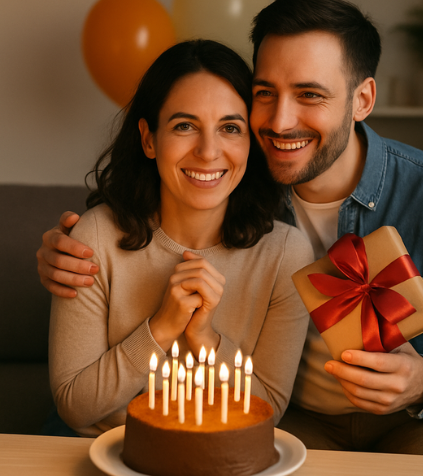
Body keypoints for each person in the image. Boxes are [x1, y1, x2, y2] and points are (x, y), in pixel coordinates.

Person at [37, 0, 423, 475]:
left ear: (362, 99)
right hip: (299, 416)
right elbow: (155, 207)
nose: (280, 121)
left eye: (310, 95)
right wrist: (64, 248)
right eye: (265, 93)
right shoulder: (241, 182)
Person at [46, 39, 312, 437]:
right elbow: (73, 405)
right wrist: (161, 328)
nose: (208, 151)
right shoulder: (95, 235)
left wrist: (204, 338)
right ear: (149, 139)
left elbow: (268, 411)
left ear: (251, 143)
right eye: (184, 126)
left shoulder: (287, 254)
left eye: (230, 128)